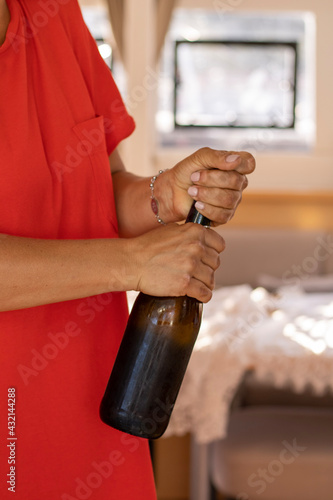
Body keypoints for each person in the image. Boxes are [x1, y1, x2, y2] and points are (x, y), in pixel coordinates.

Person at [0, 0, 255, 498]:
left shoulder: (54, 12)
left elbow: (100, 188)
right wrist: (135, 264)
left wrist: (166, 195)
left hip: (101, 417)